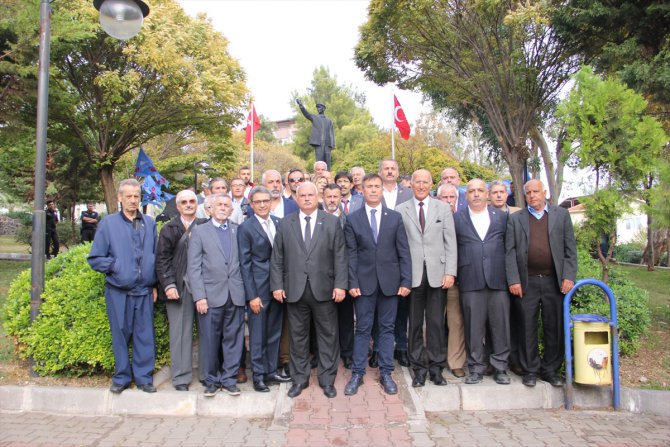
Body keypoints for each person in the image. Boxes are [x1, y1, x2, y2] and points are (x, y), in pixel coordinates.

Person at [270, 181, 348, 399]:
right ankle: (299, 379)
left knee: (328, 336)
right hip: (294, 290)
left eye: (310, 195)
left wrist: (340, 285)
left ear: (318, 197)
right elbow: (277, 257)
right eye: (301, 195)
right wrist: (277, 285)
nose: (306, 198)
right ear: (296, 198)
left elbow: (340, 256)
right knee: (298, 337)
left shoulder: (331, 222)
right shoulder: (286, 223)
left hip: (324, 289)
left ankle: (327, 380)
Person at [87, 179, 158, 394]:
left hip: (144, 291)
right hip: (119, 291)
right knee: (120, 335)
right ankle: (121, 378)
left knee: (145, 336)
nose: (133, 200)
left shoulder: (149, 223)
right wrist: (117, 267)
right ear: (120, 198)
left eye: (136, 196)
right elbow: (95, 258)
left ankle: (144, 378)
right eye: (129, 196)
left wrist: (154, 283)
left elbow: (155, 255)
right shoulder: (108, 224)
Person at [344, 173, 412, 395]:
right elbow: (351, 254)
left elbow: (403, 251)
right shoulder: (353, 219)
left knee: (387, 329)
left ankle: (386, 373)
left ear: (382, 189)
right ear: (362, 190)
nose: (373, 190)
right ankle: (357, 374)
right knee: (363, 329)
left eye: (377, 186)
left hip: (390, 283)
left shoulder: (394, 217)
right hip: (363, 284)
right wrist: (352, 281)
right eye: (369, 186)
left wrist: (406, 280)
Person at [506, 179, 578, 387]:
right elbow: (509, 252)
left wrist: (568, 276)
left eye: (536, 191)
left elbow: (570, 249)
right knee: (526, 327)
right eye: (528, 193)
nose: (532, 196)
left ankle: (550, 370)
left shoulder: (561, 215)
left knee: (553, 327)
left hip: (553, 282)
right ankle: (530, 370)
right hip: (526, 282)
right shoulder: (516, 219)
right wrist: (514, 279)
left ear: (544, 192)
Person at [397, 169, 456, 387]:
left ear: (431, 184)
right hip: (412, 276)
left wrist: (450, 272)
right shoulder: (400, 210)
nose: (421, 186)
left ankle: (436, 368)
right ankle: (419, 369)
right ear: (411, 185)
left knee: (436, 323)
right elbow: (398, 246)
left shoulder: (443, 208)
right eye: (417, 182)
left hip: (438, 275)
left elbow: (450, 243)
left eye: (425, 182)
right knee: (414, 325)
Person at [187, 193, 246, 397]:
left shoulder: (238, 230)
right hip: (210, 297)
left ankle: (229, 379)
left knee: (234, 340)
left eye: (226, 205)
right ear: (210, 209)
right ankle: (211, 380)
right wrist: (199, 297)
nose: (222, 208)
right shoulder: (199, 231)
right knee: (210, 340)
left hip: (235, 295)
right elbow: (194, 267)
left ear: (231, 210)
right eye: (218, 204)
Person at [454, 179, 511, 385]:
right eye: (472, 191)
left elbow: (509, 248)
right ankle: (476, 368)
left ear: (487, 193)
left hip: (498, 280)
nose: (476, 194)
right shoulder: (457, 218)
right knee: (473, 328)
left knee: (500, 326)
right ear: (466, 195)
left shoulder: (502, 218)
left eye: (480, 190)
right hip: (470, 279)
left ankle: (500, 367)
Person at [238, 186, 292, 392]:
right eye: (258, 202)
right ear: (251, 205)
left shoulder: (279, 223)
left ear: (271, 203)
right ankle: (258, 375)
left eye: (265, 201)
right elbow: (244, 264)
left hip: (277, 289)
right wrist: (252, 296)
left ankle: (271, 370)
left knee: (274, 332)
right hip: (258, 291)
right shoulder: (246, 228)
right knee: (258, 335)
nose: (262, 205)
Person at [155, 189, 206, 391]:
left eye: (192, 201)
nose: (188, 205)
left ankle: (206, 374)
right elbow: (162, 260)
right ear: (177, 206)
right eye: (184, 202)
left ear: (197, 204)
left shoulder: (205, 225)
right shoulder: (169, 229)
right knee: (180, 334)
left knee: (207, 332)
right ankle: (181, 377)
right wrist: (168, 285)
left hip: (204, 286)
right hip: (178, 287)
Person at [376, 158, 413, 368]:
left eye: (393, 169)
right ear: (380, 172)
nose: (389, 172)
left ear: (397, 173)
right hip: (379, 259)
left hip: (402, 256)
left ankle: (401, 347)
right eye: (386, 169)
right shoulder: (373, 193)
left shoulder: (408, 194)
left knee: (401, 307)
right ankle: (378, 349)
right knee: (378, 309)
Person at [435, 183, 467, 378]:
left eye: (451, 197)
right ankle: (435, 359)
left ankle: (456, 362)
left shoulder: (463, 217)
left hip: (456, 278)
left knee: (455, 321)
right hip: (434, 278)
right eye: (444, 197)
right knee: (435, 321)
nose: (448, 201)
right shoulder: (432, 216)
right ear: (438, 199)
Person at [322, 183, 354, 369]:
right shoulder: (316, 218)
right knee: (323, 320)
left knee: (345, 318)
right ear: (323, 198)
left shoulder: (348, 219)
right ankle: (324, 354)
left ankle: (347, 352)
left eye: (336, 196)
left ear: (341, 198)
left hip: (343, 275)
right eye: (329, 196)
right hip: (321, 277)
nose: (332, 200)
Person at [297, 98, 335, 170]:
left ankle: (328, 175)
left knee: (328, 163)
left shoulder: (329, 121)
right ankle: (319, 175)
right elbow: (306, 114)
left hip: (327, 145)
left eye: (319, 107)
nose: (318, 109)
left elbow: (332, 133)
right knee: (319, 163)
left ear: (323, 108)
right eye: (317, 108)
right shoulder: (314, 118)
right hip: (318, 144)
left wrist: (332, 145)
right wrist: (301, 105)